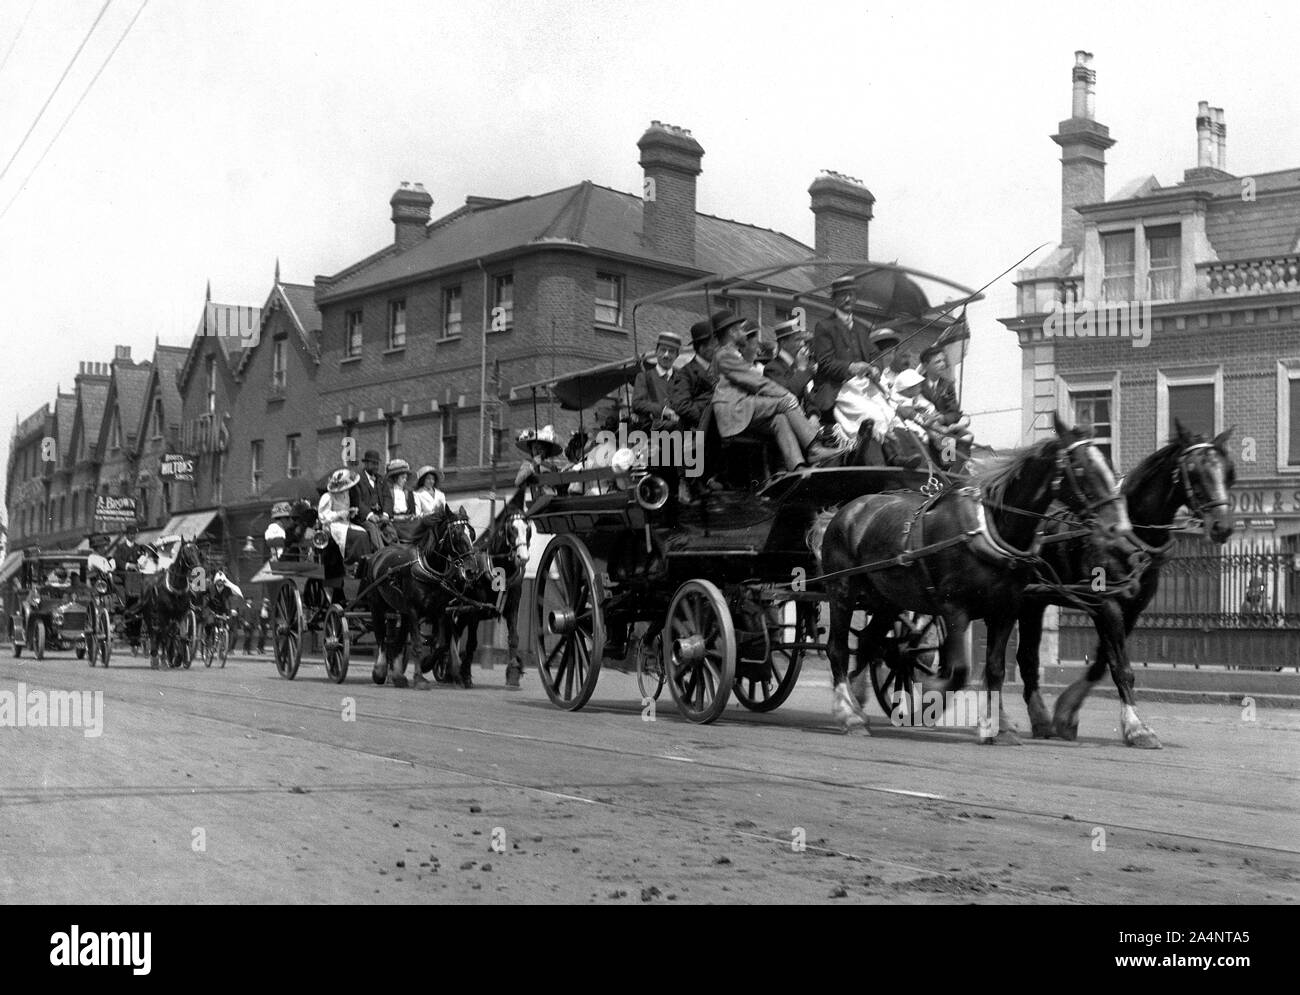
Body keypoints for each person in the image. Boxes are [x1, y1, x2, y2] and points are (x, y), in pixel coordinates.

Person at [711, 313, 842, 472]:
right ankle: (814, 448)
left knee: (779, 419)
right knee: (785, 402)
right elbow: (757, 382)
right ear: (732, 332)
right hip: (734, 410)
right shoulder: (724, 355)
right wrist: (785, 394)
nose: (743, 333)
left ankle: (797, 466)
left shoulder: (730, 355)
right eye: (740, 329)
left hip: (742, 408)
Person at [811, 276, 882, 421]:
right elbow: (825, 363)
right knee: (874, 417)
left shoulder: (861, 329)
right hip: (838, 390)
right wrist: (851, 367)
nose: (848, 299)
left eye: (852, 294)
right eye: (843, 295)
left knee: (889, 414)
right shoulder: (824, 326)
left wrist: (876, 368)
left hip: (865, 388)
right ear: (834, 299)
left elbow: (875, 353)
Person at [316, 467, 374, 584]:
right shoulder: (328, 497)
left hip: (345, 523)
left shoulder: (346, 494)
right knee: (359, 536)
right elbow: (323, 516)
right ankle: (351, 564)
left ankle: (364, 563)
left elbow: (346, 510)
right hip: (332, 526)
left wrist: (350, 512)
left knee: (365, 533)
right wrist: (340, 514)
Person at [668, 319, 719, 431]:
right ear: (702, 347)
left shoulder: (719, 370)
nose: (717, 348)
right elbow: (682, 405)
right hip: (695, 434)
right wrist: (708, 420)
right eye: (713, 344)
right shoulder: (685, 373)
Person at [631, 331, 683, 431]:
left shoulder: (682, 378)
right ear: (656, 352)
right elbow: (637, 403)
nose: (666, 355)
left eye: (671, 351)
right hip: (651, 434)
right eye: (663, 350)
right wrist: (663, 411)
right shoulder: (644, 377)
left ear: (677, 355)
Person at [201, 571, 243, 648]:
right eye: (219, 581)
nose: (221, 582)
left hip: (222, 609)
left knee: (225, 624)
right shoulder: (210, 587)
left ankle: (223, 643)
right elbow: (202, 593)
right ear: (216, 581)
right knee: (210, 623)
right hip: (211, 608)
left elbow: (232, 597)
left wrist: (232, 610)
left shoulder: (227, 589)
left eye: (222, 581)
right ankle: (207, 638)